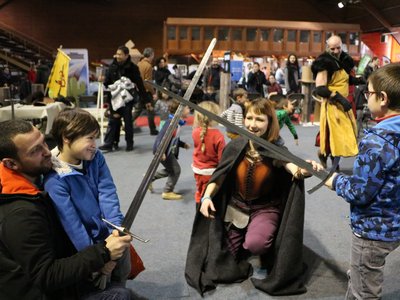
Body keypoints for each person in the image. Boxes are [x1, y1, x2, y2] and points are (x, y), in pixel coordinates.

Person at [185, 98, 322, 296]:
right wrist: (206, 198)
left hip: (265, 208)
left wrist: (306, 169)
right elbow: (219, 176)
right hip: (236, 208)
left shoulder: (275, 150)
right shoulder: (235, 146)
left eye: (259, 119)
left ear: (269, 122)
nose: (252, 124)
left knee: (255, 244)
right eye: (249, 118)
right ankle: (246, 234)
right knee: (220, 261)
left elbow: (293, 169)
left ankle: (264, 238)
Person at [0, 119, 132, 300]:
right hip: (45, 291)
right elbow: (46, 276)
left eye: (43, 142)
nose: (48, 152)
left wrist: (110, 237)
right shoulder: (21, 214)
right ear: (11, 164)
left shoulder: (37, 177)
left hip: (75, 262)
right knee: (120, 295)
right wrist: (103, 254)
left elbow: (107, 193)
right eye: (35, 150)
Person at [325, 63, 400, 300]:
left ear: (383, 98)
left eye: (368, 93)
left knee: (364, 292)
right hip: (395, 224)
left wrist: (334, 180)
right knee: (362, 274)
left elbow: (359, 192)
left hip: (373, 230)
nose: (366, 98)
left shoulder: (376, 141)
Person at [44, 108, 132, 287]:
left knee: (122, 272)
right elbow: (73, 225)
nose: (95, 144)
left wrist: (115, 229)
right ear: (66, 138)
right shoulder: (54, 179)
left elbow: (107, 192)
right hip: (88, 247)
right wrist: (99, 258)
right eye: (89, 138)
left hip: (110, 232)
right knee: (101, 286)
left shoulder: (95, 157)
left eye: (95, 137)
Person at [311, 35, 358, 168]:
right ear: (327, 47)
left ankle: (328, 157)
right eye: (333, 48)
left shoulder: (343, 59)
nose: (336, 51)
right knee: (333, 134)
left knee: (343, 133)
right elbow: (320, 88)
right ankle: (328, 158)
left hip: (344, 103)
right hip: (332, 104)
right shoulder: (324, 63)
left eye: (338, 48)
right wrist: (339, 98)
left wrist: (358, 80)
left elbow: (343, 79)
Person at [99, 45, 151, 152]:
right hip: (114, 98)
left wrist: (146, 100)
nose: (117, 56)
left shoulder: (133, 68)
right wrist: (103, 80)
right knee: (114, 120)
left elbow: (140, 84)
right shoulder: (112, 66)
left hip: (127, 99)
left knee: (128, 121)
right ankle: (111, 143)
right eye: (117, 54)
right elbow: (107, 83)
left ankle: (129, 143)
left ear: (126, 55)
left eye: (120, 54)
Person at [149, 100, 191, 200]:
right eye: (187, 108)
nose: (189, 110)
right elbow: (161, 138)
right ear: (180, 111)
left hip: (165, 150)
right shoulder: (171, 123)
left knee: (170, 170)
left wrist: (182, 144)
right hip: (162, 151)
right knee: (176, 170)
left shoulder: (176, 123)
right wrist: (161, 151)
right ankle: (167, 191)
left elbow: (173, 138)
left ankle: (150, 178)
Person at [191, 101, 225, 208]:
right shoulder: (218, 135)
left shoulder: (195, 132)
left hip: (198, 170)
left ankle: (198, 205)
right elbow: (222, 159)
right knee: (209, 194)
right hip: (211, 172)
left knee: (200, 189)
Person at [134, 47, 159, 136]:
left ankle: (127, 125)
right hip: (146, 92)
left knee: (138, 110)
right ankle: (153, 130)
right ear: (151, 55)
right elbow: (148, 82)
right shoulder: (148, 66)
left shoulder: (139, 64)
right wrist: (153, 93)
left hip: (139, 90)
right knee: (150, 111)